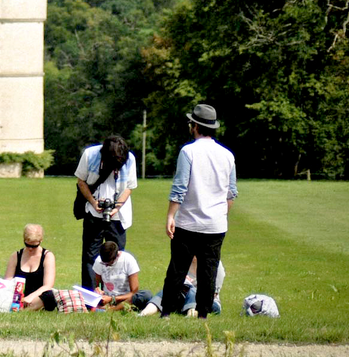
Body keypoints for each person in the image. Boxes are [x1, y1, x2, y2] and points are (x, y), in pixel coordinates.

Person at [156, 103, 237, 319]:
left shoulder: (188, 151)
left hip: (188, 222)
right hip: (215, 225)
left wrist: (171, 215)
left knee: (177, 269)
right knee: (208, 271)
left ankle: (166, 312)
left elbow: (180, 187)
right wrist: (220, 215)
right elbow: (231, 194)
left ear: (194, 126)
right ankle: (203, 315)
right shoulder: (227, 155)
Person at [74, 135, 138, 290]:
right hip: (93, 213)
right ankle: (91, 296)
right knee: (90, 257)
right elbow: (81, 181)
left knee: (117, 257)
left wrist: (117, 206)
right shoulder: (90, 155)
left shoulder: (130, 159)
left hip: (119, 216)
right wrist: (93, 202)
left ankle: (115, 295)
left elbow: (129, 186)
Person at [140, 258, 226, 317]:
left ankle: (190, 315)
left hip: (208, 303)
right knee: (167, 291)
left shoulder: (214, 263)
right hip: (183, 298)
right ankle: (144, 313)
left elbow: (212, 294)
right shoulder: (184, 260)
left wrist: (191, 287)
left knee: (193, 290)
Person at [2, 223, 57, 311]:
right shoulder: (16, 256)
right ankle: (18, 307)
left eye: (34, 246)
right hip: (16, 297)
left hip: (37, 297)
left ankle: (21, 309)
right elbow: (7, 282)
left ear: (41, 241)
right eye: (27, 245)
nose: (30, 249)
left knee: (49, 296)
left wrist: (30, 297)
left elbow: (48, 285)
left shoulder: (48, 256)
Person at [91, 241, 152, 310]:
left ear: (117, 256)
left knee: (146, 294)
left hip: (126, 300)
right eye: (104, 263)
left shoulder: (128, 260)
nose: (106, 266)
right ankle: (110, 307)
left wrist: (112, 299)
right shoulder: (99, 261)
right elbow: (98, 284)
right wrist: (98, 290)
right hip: (106, 299)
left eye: (109, 264)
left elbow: (134, 292)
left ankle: (112, 309)